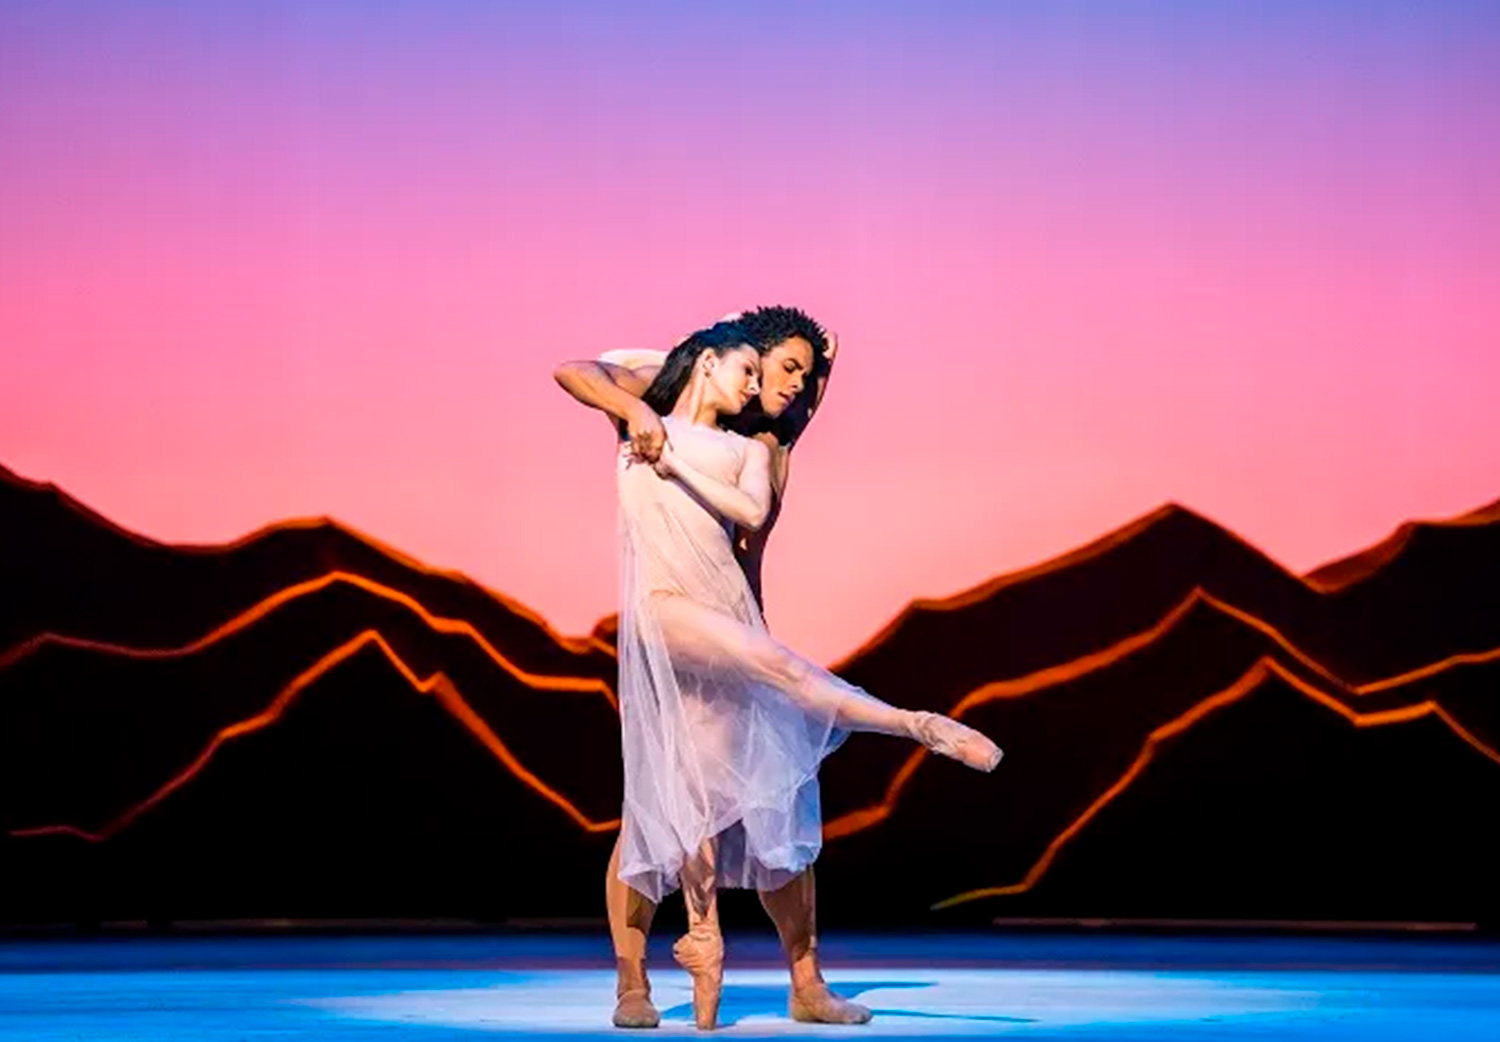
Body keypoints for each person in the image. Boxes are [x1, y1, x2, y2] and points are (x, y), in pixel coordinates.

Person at [558, 319, 1001, 1030]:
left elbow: (749, 533)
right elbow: (582, 371)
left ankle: (804, 982)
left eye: (805, 376)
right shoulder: (669, 389)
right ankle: (633, 980)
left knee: (773, 799)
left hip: (735, 619)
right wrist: (637, 413)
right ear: (743, 360)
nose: (796, 386)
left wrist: (808, 377)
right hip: (674, 619)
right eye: (787, 368)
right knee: (661, 804)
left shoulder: (764, 444)